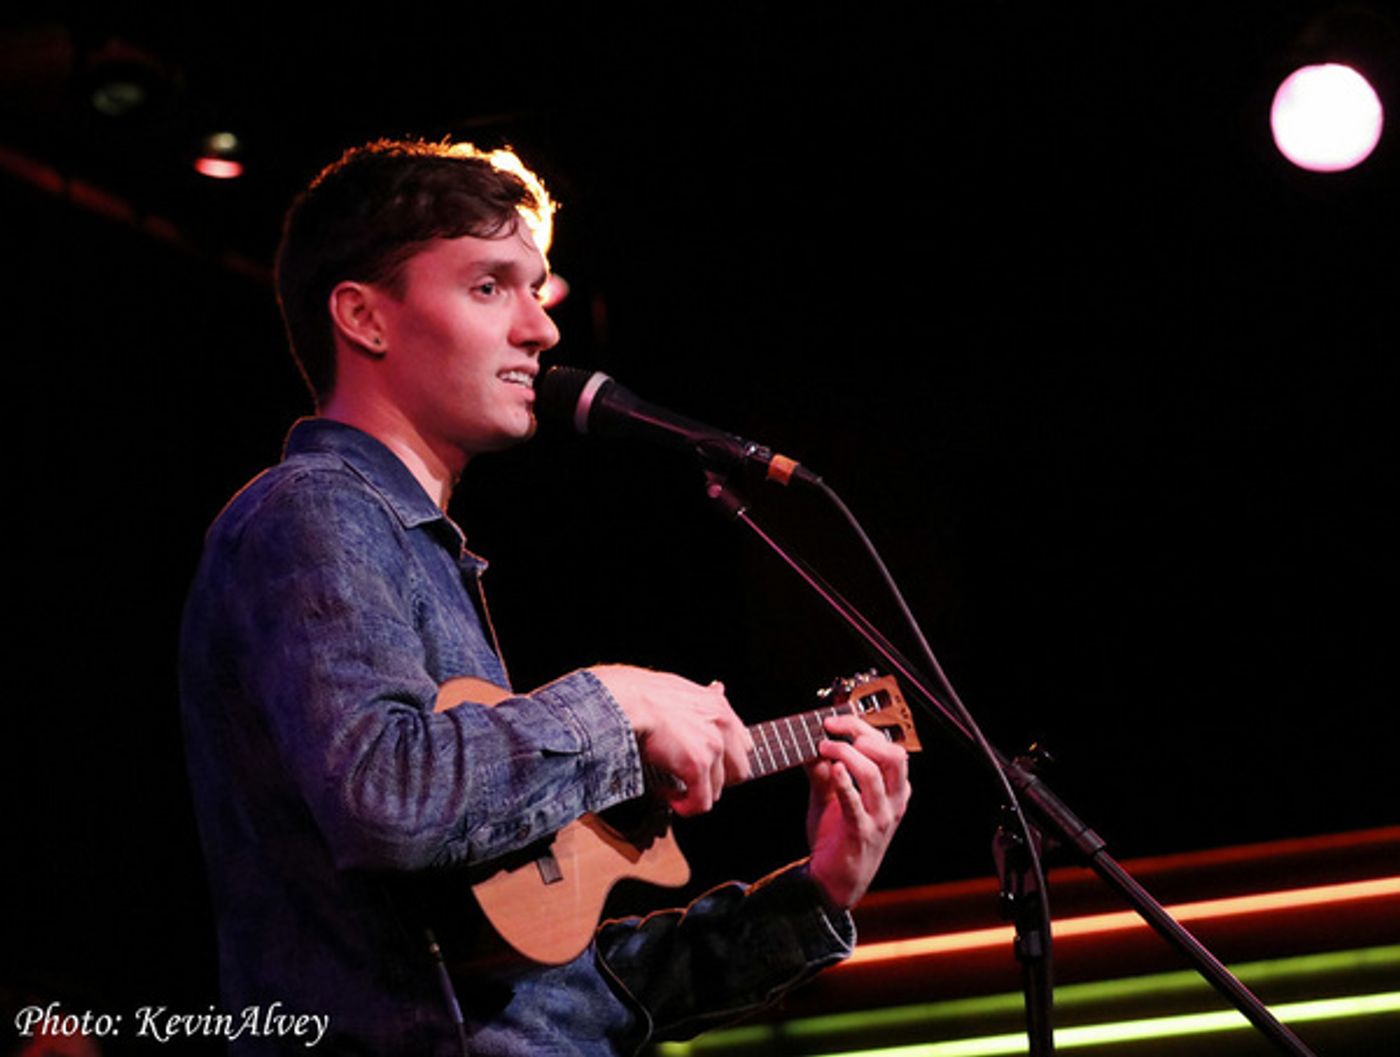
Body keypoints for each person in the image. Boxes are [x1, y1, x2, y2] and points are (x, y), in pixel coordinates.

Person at [179, 138, 911, 1056]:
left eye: (538, 288)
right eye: (491, 286)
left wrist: (819, 892)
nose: (542, 328)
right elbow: (385, 794)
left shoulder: (420, 557)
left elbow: (563, 1002)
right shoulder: (315, 512)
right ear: (364, 316)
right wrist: (616, 699)